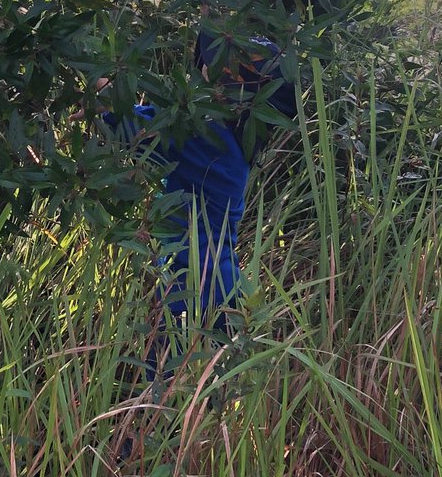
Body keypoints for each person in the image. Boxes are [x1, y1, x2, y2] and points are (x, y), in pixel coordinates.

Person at [100, 28, 297, 340]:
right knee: (201, 385)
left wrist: (86, 72)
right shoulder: (231, 141)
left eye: (218, 65)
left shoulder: (208, 139)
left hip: (196, 290)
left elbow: (132, 127)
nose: (203, 67)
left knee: (163, 379)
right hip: (221, 287)